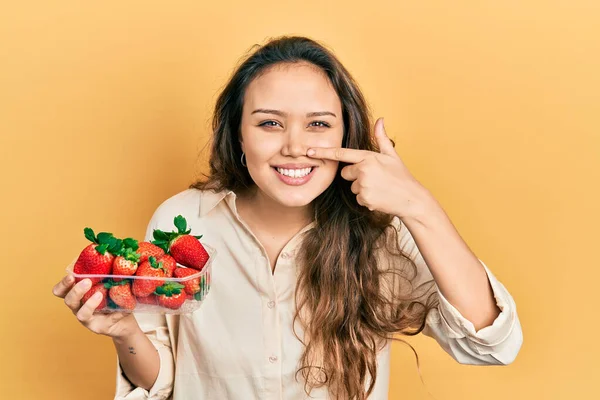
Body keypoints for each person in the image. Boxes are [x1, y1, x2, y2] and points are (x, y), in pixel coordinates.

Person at [52, 35, 523, 400]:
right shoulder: (183, 220)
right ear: (237, 135)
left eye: (318, 123)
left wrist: (418, 204)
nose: (295, 145)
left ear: (347, 132)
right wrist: (125, 331)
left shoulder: (384, 230)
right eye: (269, 122)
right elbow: (165, 380)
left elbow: (491, 346)